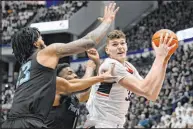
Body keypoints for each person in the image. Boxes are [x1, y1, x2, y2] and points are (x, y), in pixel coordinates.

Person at [1, 3, 119, 128]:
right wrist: (107, 22)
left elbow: (76, 87)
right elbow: (88, 42)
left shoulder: (28, 69)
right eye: (41, 39)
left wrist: (95, 69)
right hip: (29, 122)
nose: (44, 42)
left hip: (11, 122)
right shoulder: (45, 53)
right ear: (35, 43)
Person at [84, 30, 177, 128]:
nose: (120, 46)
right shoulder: (111, 65)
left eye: (122, 43)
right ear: (107, 50)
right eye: (115, 44)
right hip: (101, 123)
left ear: (126, 46)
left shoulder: (129, 67)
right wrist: (159, 57)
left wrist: (164, 61)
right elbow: (144, 88)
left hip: (114, 124)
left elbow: (151, 94)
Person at [45, 48, 100, 129]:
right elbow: (84, 85)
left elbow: (92, 85)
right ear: (60, 80)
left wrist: (96, 62)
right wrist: (89, 68)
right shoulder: (54, 94)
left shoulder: (73, 98)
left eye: (74, 72)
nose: (75, 75)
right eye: (69, 73)